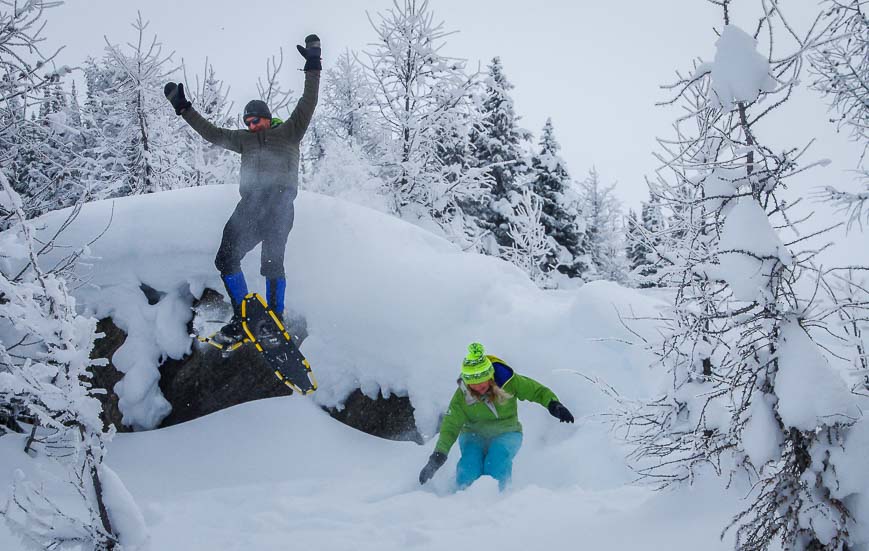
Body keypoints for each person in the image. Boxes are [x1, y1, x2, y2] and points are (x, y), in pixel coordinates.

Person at [163, 35, 322, 344]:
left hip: (278, 203)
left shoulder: (290, 132)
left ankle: (275, 318)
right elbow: (211, 133)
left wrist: (313, 63)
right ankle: (244, 316)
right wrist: (184, 108)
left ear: (267, 117)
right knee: (225, 258)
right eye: (248, 122)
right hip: (249, 206)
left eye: (256, 120)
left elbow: (308, 101)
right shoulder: (244, 140)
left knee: (272, 262)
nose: (252, 126)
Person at [418, 342, 574, 491]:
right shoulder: (462, 396)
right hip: (474, 435)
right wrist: (438, 457)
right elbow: (450, 426)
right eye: (473, 383)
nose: (478, 387)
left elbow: (536, 391)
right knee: (469, 466)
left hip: (507, 432)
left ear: (490, 376)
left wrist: (554, 404)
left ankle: (499, 499)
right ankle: (461, 499)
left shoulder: (508, 382)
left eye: (482, 382)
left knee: (496, 462)